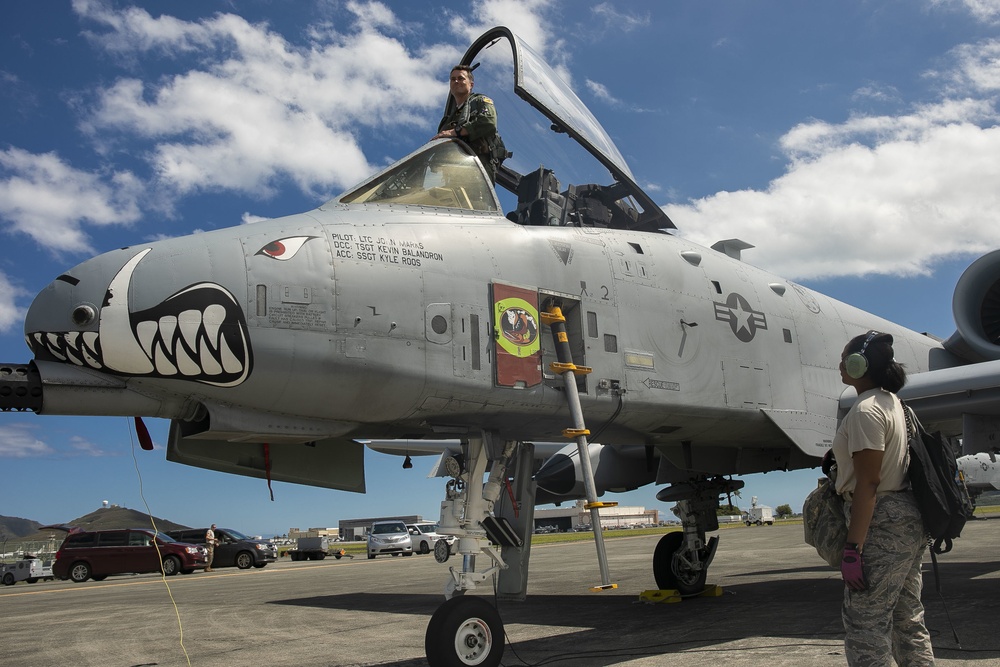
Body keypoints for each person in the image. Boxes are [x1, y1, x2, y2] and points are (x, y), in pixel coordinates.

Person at [832, 331, 935, 666]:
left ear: (859, 364)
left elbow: (869, 482)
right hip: (907, 519)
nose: (840, 365)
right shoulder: (894, 404)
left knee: (865, 625)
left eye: (846, 358)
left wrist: (852, 549)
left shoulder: (865, 411)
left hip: (881, 524)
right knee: (908, 620)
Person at [433, 65, 503, 183]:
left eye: (461, 78)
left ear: (471, 84)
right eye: (453, 79)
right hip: (451, 174)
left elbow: (489, 122)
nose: (456, 81)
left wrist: (455, 132)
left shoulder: (480, 101)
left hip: (477, 168)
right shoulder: (448, 120)